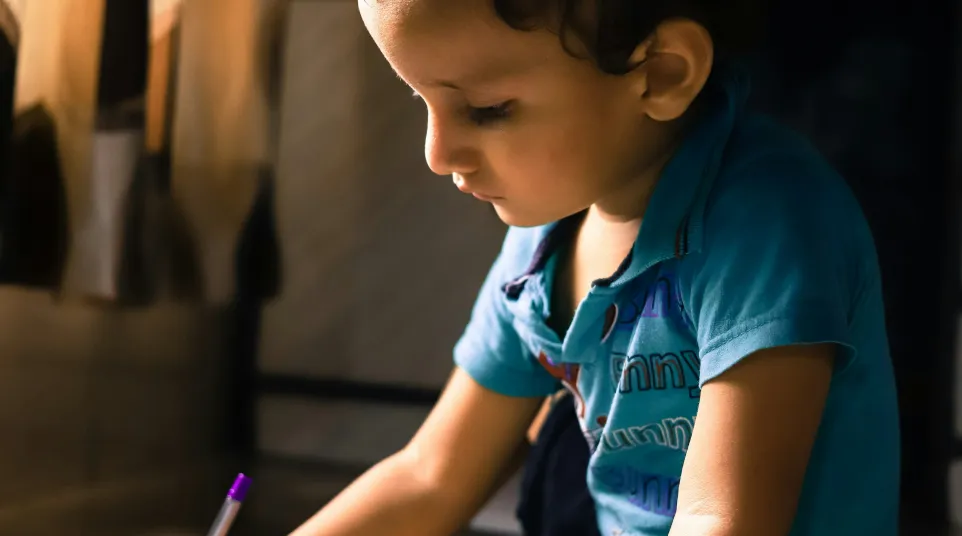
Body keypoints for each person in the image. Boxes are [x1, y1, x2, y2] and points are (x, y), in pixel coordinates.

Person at [290, 0, 901, 534]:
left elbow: (722, 522)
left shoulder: (770, 226)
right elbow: (431, 478)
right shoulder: (546, 244)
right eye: (420, 96)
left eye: (487, 108)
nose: (437, 153)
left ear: (660, 74)